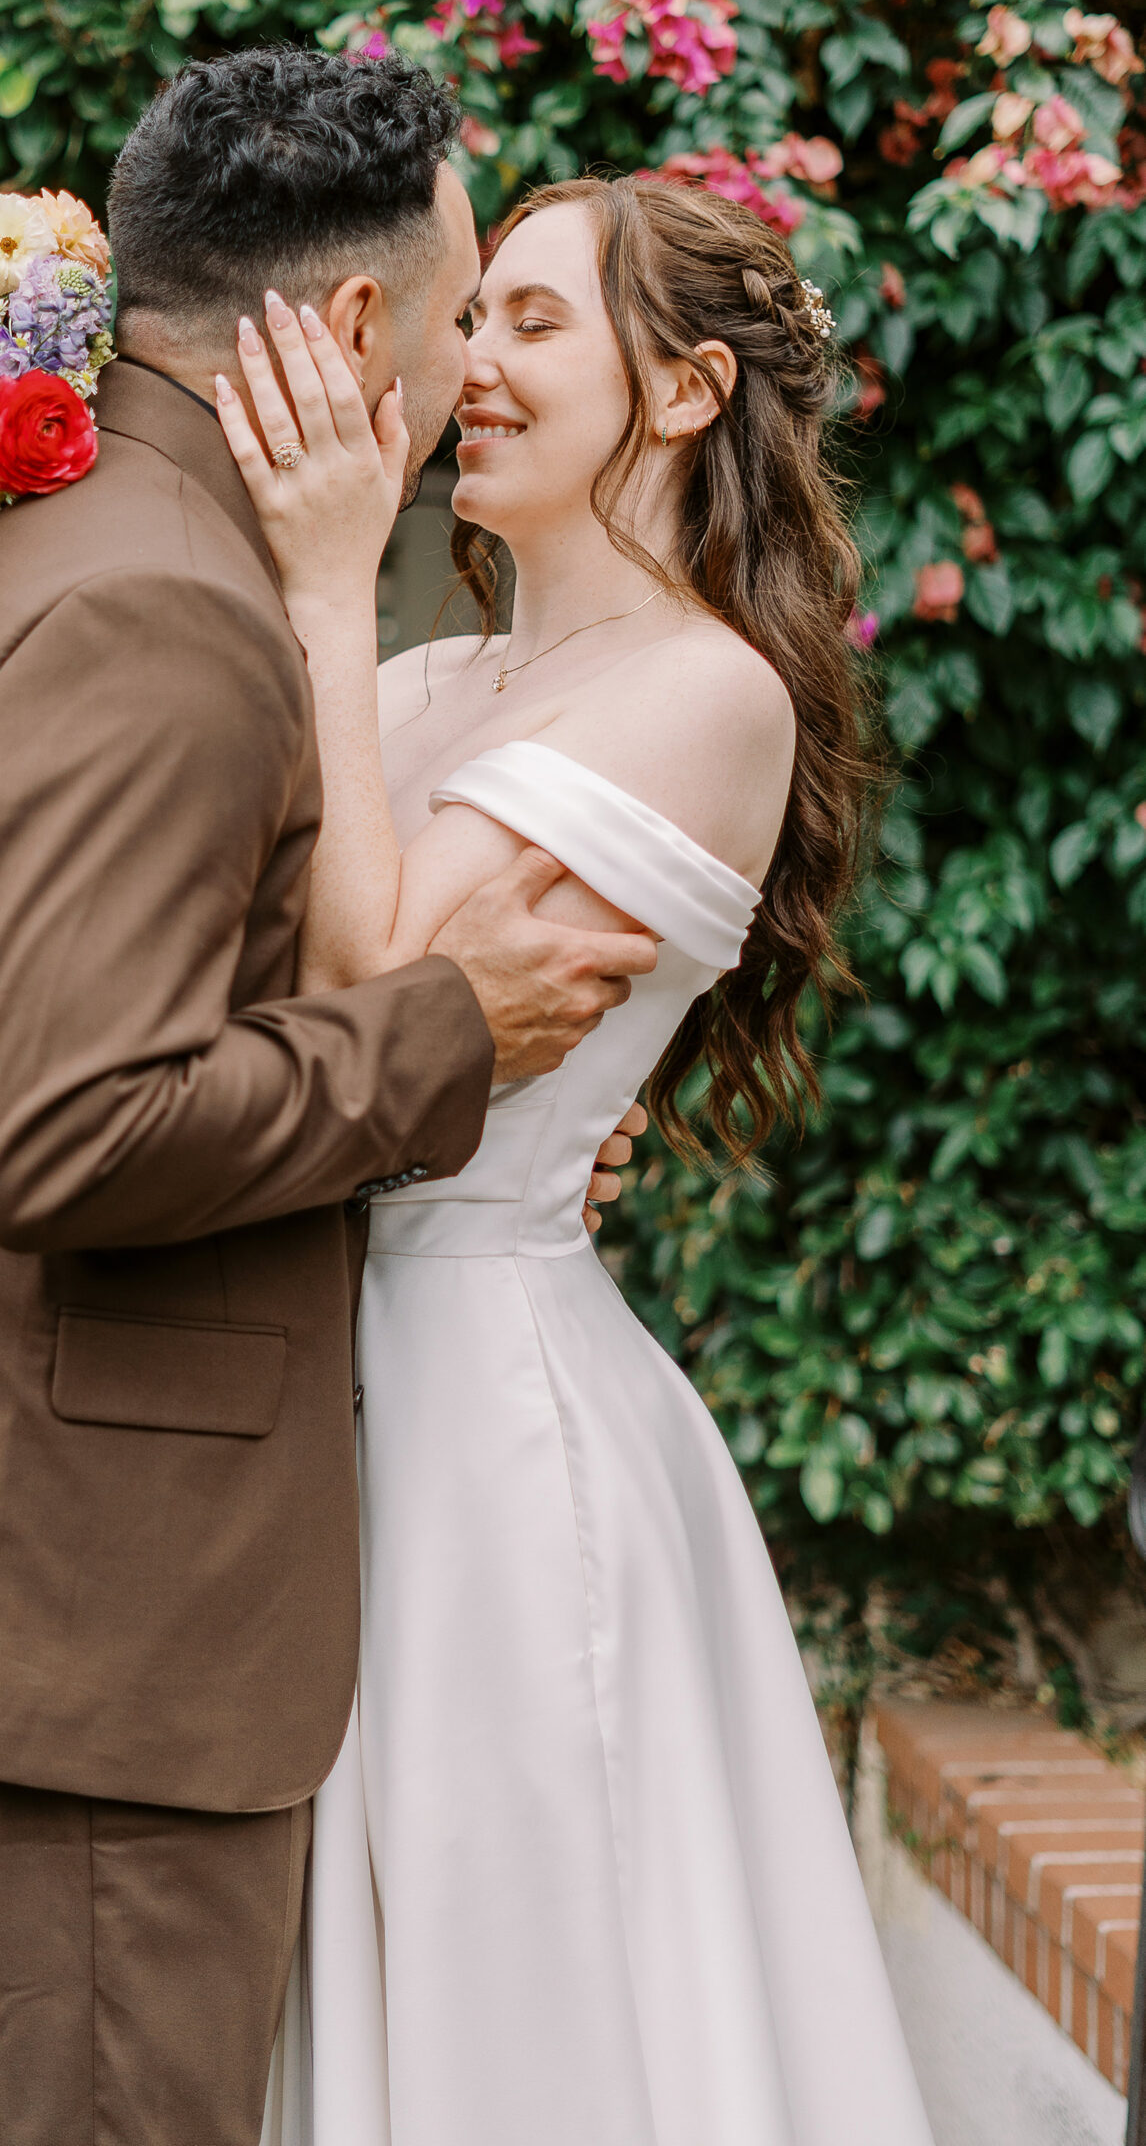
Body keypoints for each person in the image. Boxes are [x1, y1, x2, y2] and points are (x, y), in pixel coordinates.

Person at [0, 49, 657, 2146]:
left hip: (20, 1519)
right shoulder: (157, 605)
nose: (466, 360)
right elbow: (67, 1127)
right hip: (84, 1578)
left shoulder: (99, 525)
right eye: (457, 301)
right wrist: (446, 1028)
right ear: (339, 329)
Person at [216, 173, 935, 2146]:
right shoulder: (436, 690)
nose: (470, 367)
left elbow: (361, 981)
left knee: (523, 2004)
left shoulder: (706, 690)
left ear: (687, 386)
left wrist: (317, 575)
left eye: (530, 322)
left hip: (494, 1436)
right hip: (322, 1401)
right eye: (475, 323)